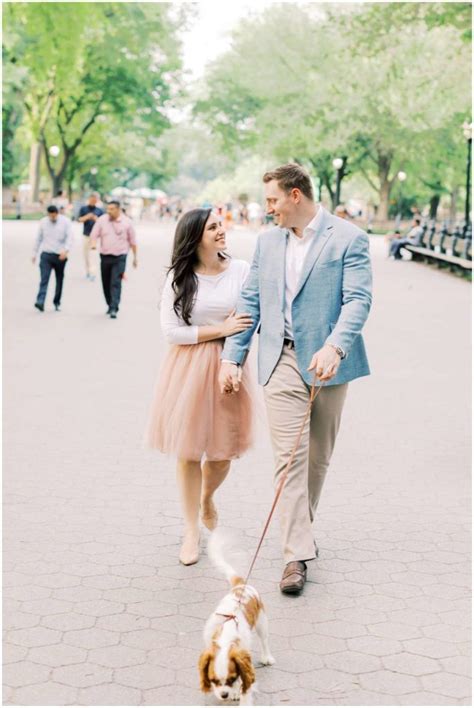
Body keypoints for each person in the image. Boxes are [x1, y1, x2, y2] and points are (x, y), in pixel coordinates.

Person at [219, 163, 372, 595]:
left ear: (295, 196)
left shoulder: (348, 238)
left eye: (272, 200)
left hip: (329, 363)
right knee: (290, 458)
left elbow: (358, 300)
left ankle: (299, 534)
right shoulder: (267, 243)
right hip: (280, 358)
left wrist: (335, 345)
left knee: (318, 458)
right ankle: (295, 556)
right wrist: (233, 358)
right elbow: (250, 302)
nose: (267, 209)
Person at [146, 208, 254, 566]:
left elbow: (251, 317)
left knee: (222, 452)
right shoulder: (179, 278)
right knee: (189, 451)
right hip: (188, 366)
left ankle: (206, 496)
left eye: (221, 225)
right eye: (213, 227)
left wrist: (233, 354)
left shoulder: (240, 271)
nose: (222, 231)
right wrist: (220, 330)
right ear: (195, 237)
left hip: (229, 365)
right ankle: (190, 530)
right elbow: (170, 331)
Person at [89, 200, 137, 319]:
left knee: (115, 282)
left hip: (120, 257)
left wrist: (135, 258)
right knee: (106, 282)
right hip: (105, 256)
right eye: (108, 209)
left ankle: (114, 307)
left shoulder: (127, 222)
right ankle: (110, 303)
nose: (108, 211)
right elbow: (94, 234)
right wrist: (93, 244)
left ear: (118, 209)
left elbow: (133, 241)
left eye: (111, 209)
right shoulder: (102, 220)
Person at [32, 205, 73, 312]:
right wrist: (34, 253)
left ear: (57, 213)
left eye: (54, 216)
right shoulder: (43, 222)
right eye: (50, 216)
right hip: (46, 254)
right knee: (44, 279)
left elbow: (70, 237)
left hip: (60, 255)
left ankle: (57, 302)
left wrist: (66, 250)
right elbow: (38, 238)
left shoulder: (65, 222)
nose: (52, 218)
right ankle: (40, 301)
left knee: (59, 280)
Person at [77, 193, 104, 281]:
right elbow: (79, 220)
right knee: (86, 255)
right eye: (92, 199)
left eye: (95, 199)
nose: (93, 200)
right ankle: (88, 271)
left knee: (93, 255)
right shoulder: (84, 209)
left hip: (95, 237)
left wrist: (96, 219)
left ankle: (93, 273)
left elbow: (103, 223)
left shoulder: (99, 210)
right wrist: (88, 217)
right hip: (86, 235)